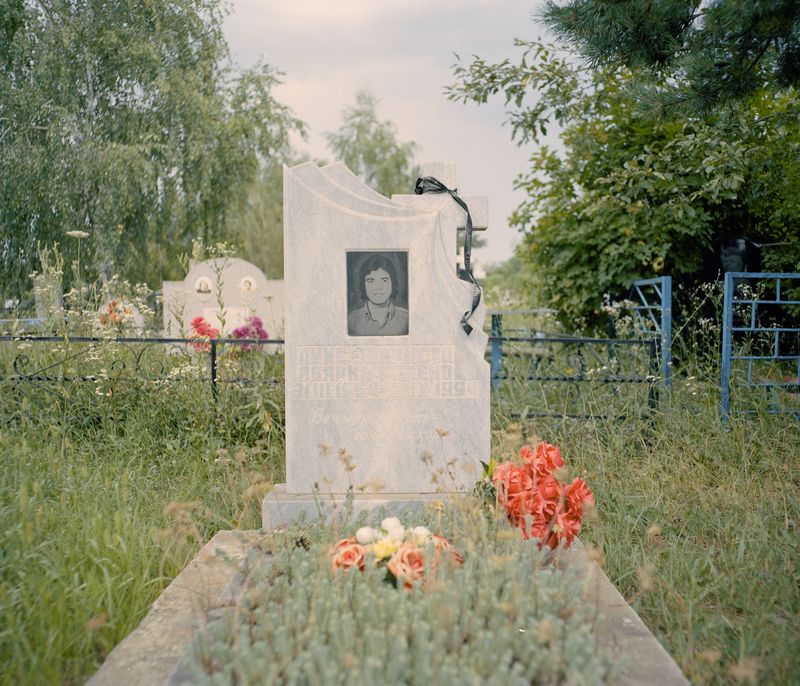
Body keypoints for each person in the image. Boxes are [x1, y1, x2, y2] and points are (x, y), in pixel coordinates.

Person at [348, 255, 409, 336]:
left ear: (393, 283)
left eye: (384, 280)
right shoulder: (350, 321)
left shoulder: (407, 319)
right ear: (363, 285)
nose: (378, 287)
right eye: (371, 281)